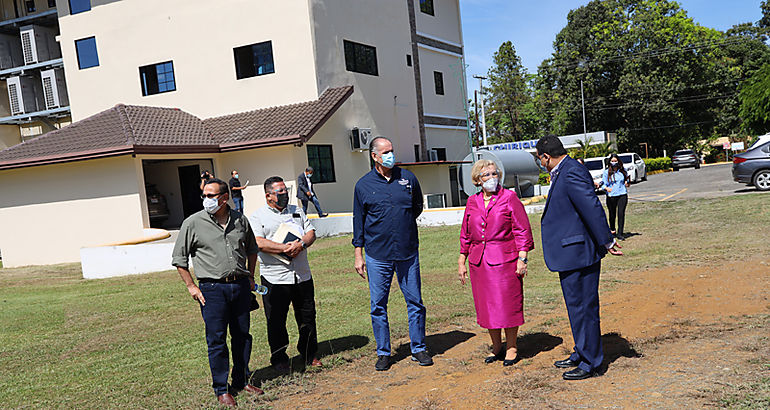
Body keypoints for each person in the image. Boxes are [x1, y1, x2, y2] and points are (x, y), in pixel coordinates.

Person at [535, 135, 623, 381]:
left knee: (584, 307)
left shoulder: (572, 171)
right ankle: (581, 351)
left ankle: (591, 361)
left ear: (545, 156)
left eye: (540, 159)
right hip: (570, 252)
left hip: (579, 252)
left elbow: (591, 206)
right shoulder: (565, 171)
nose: (541, 164)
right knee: (576, 308)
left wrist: (607, 240)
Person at [171, 178, 263, 407]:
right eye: (205, 195)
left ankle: (241, 381)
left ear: (224, 198)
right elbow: (179, 259)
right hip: (212, 289)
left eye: (211, 196)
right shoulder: (193, 223)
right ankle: (222, 389)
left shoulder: (240, 220)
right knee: (217, 339)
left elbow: (252, 249)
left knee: (242, 335)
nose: (206, 200)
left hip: (240, 286)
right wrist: (191, 286)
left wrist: (250, 277)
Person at [352, 136, 432, 371]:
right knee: (378, 305)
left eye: (392, 150)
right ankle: (384, 352)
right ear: (374, 156)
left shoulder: (408, 179)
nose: (391, 155)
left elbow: (417, 207)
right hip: (377, 254)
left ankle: (418, 348)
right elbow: (359, 222)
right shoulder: (362, 186)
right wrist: (359, 254)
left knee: (415, 302)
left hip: (407, 253)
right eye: (385, 152)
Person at [458, 159, 534, 366]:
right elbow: (466, 233)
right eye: (486, 175)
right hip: (479, 262)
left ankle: (511, 347)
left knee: (507, 304)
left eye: (494, 174)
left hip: (505, 261)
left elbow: (522, 230)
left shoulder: (509, 198)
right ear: (477, 180)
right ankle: (496, 346)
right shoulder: (472, 202)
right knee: (487, 306)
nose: (491, 178)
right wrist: (462, 259)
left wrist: (522, 258)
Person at [248, 176, 322, 373]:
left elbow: (311, 232)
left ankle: (309, 353)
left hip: (302, 276)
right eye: (280, 192)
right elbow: (257, 242)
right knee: (276, 320)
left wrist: (301, 244)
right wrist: (284, 249)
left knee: (307, 316)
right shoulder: (257, 216)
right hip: (275, 278)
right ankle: (279, 357)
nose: (284, 195)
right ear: (268, 196)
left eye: (285, 191)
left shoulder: (297, 211)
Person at [601, 154, 629, 240]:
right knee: (612, 214)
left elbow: (626, 178)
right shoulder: (606, 172)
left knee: (621, 214)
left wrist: (626, 182)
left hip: (622, 194)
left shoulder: (622, 171)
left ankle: (620, 233)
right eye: (612, 161)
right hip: (611, 196)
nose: (614, 163)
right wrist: (606, 188)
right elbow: (603, 184)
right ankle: (612, 230)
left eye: (615, 161)